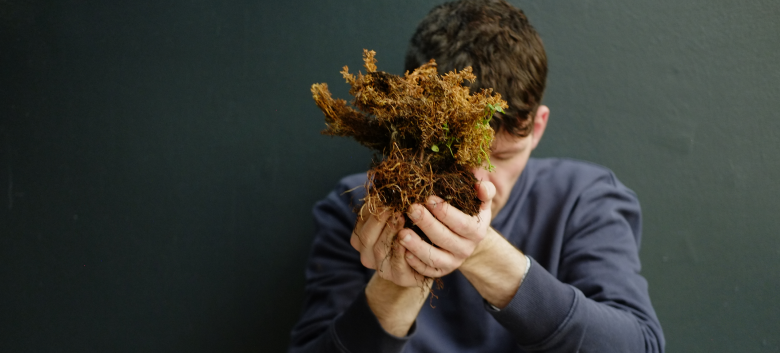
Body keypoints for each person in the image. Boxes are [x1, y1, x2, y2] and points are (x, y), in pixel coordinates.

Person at [289, 0, 665, 351]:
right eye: (455, 156)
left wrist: (481, 251)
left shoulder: (585, 199)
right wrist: (396, 280)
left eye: (501, 155)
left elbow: (639, 343)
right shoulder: (360, 208)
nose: (480, 182)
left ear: (536, 128)